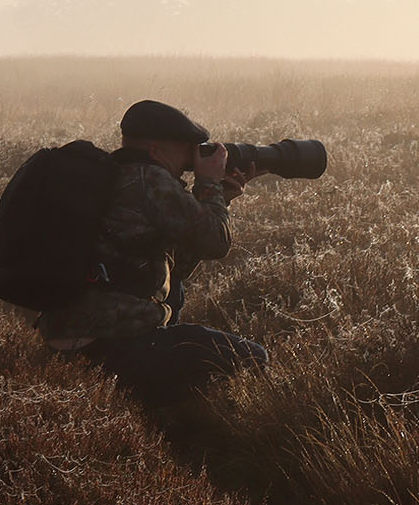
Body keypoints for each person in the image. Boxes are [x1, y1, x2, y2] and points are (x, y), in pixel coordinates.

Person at [38, 100, 268, 400]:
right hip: (113, 348)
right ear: (156, 149)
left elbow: (174, 270)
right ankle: (177, 422)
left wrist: (217, 198)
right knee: (254, 357)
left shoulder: (113, 176)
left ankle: (148, 411)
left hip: (67, 343)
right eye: (187, 149)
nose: (192, 158)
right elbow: (216, 243)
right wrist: (209, 184)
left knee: (175, 294)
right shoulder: (150, 180)